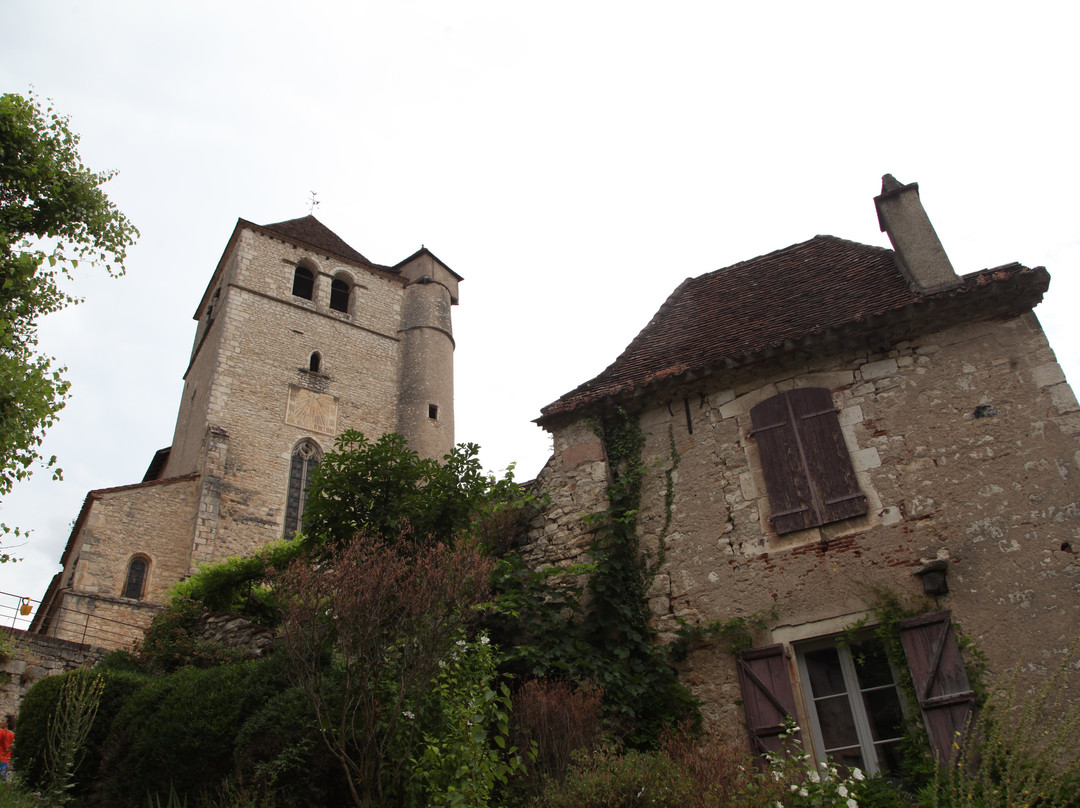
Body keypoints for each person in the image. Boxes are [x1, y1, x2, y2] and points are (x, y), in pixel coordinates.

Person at [0, 714, 13, 779]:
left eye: (3, 721)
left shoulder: (1, 732)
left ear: (7, 723)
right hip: (6, 761)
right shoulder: (13, 735)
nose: (1, 722)